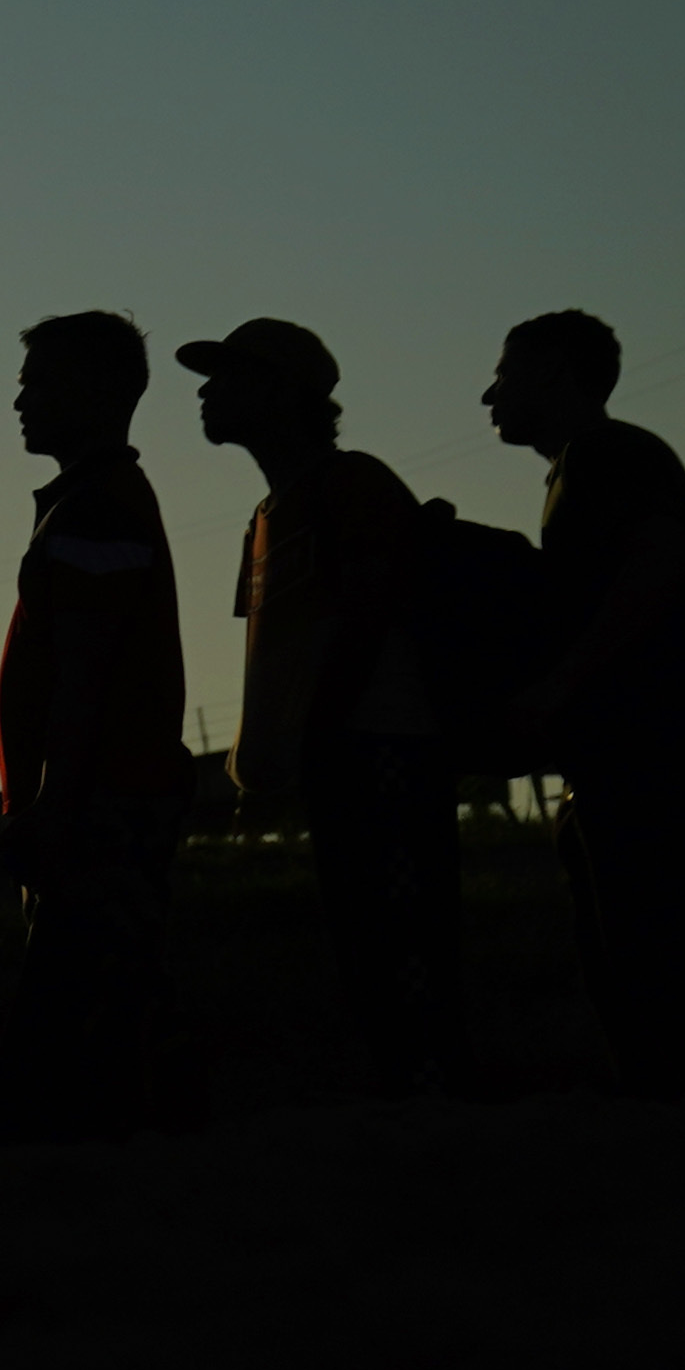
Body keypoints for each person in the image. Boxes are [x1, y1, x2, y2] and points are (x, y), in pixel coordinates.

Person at [189, 318, 462, 1094]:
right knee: (362, 945)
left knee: (404, 943)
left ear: (282, 394)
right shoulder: (265, 516)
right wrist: (261, 758)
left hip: (386, 750)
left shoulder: (353, 484)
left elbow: (371, 616)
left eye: (226, 375)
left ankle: (436, 1103)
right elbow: (271, 657)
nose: (205, 393)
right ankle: (404, 1098)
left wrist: (313, 733)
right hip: (333, 758)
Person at [479, 309, 685, 1093]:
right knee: (621, 958)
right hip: (612, 762)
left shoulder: (611, 453)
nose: (487, 394)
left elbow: (659, 564)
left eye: (503, 373)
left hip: (649, 759)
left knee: (653, 960)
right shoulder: (580, 465)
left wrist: (561, 681)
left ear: (551, 372)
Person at [0, 311, 191, 1141]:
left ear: (96, 391)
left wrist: (50, 805)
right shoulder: (90, 501)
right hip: (100, 806)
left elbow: (84, 673)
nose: (19, 401)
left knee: (80, 1030)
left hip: (99, 811)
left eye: (37, 383)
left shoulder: (96, 509)